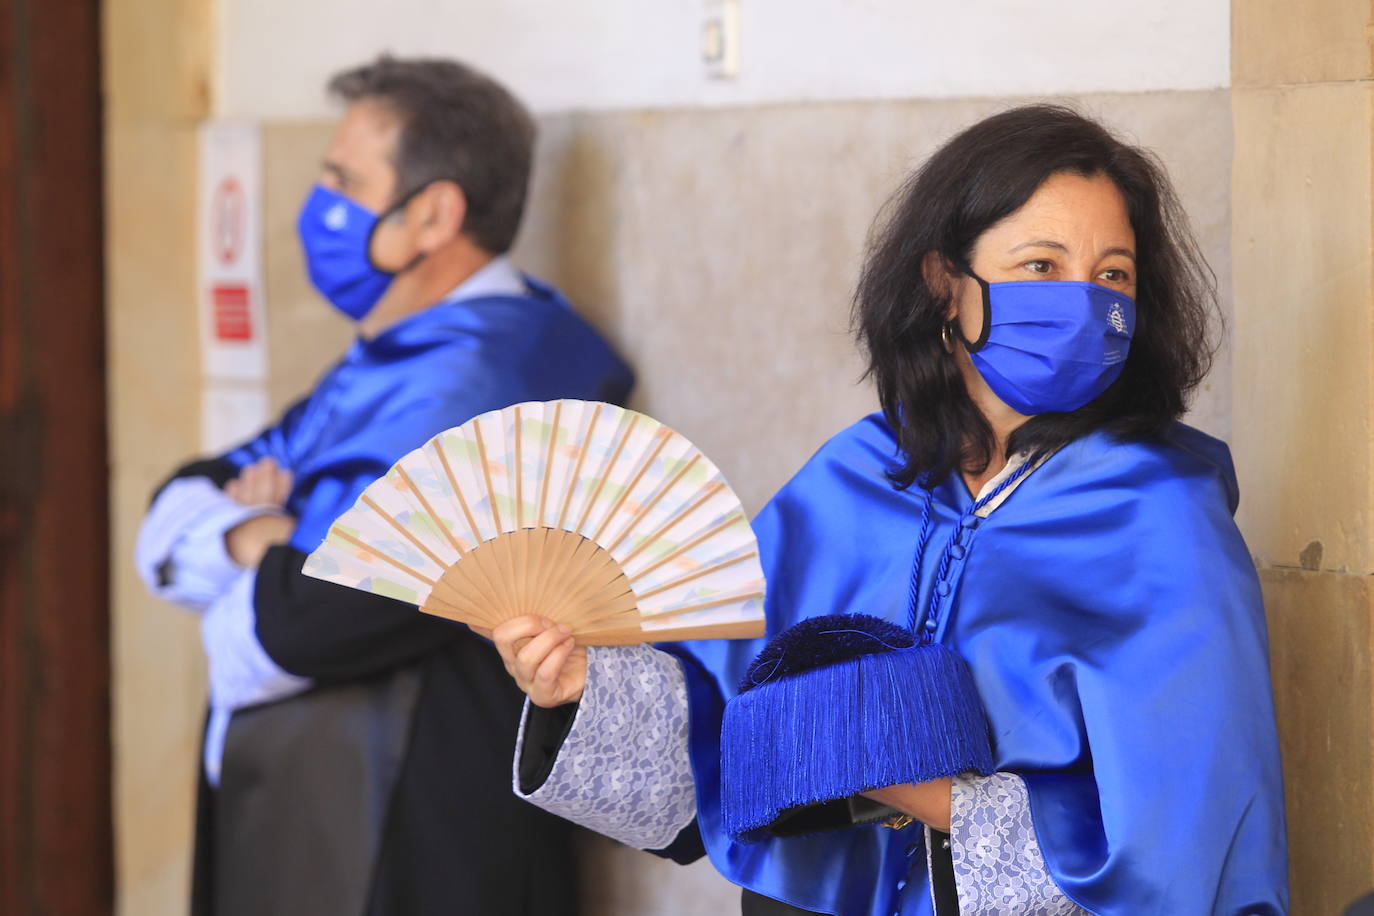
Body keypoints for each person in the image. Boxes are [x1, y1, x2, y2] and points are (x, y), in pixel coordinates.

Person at [487, 105, 1288, 914]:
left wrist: (917, 786)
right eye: (1041, 267)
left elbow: (1190, 838)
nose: (1081, 301)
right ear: (945, 287)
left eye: (1112, 274)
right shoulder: (856, 473)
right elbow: (723, 720)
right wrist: (583, 684)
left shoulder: (1163, 518)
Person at [137, 56, 632, 916]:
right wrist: (260, 537)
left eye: (342, 179)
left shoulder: (488, 374)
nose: (318, 202)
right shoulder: (406, 346)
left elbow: (306, 622)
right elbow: (177, 503)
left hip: (417, 821)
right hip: (326, 793)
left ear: (434, 213)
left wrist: (253, 532)